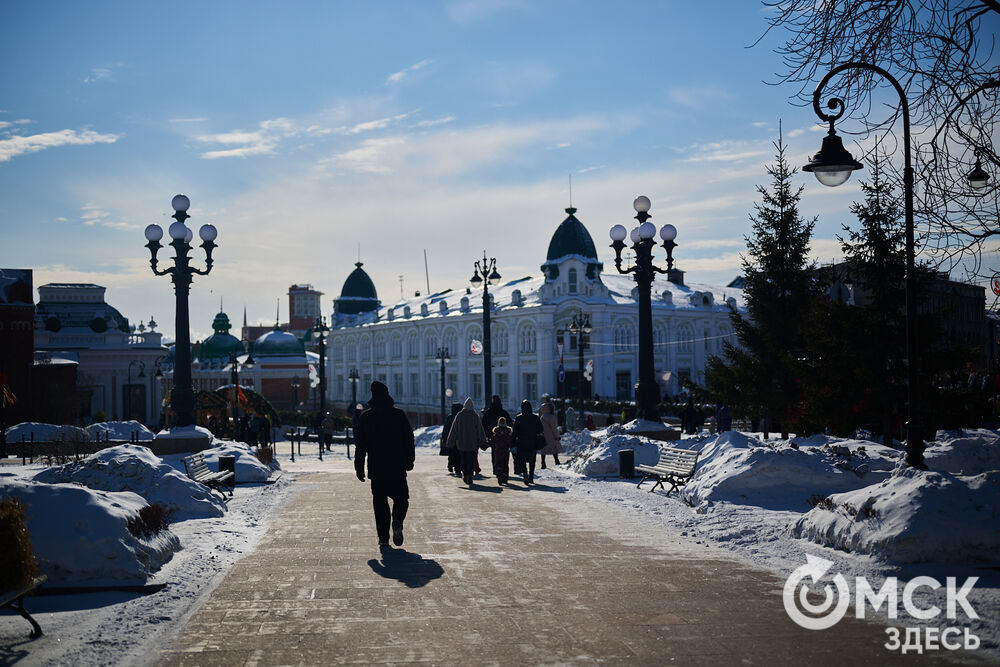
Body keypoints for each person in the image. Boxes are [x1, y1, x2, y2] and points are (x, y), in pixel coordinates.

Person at [354, 381, 415, 548]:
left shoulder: (366, 417)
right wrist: (410, 461)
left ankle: (383, 539)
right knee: (402, 498)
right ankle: (397, 521)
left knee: (380, 503)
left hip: (377, 467)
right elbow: (409, 440)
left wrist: (359, 468)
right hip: (397, 466)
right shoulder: (398, 415)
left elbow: (361, 445)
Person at [446, 398, 487, 486]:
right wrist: (483, 441)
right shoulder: (475, 416)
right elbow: (480, 430)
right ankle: (470, 476)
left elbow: (454, 430)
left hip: (461, 443)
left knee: (463, 460)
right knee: (471, 460)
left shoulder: (459, 415)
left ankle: (465, 475)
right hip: (473, 444)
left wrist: (450, 442)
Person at [512, 400, 544, 485]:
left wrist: (512, 440)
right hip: (532, 442)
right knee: (532, 460)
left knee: (522, 460)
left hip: (521, 442)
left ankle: (525, 474)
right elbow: (541, 429)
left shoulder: (519, 418)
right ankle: (531, 477)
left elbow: (515, 431)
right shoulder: (535, 418)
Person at [488, 417, 515, 485]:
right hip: (505, 451)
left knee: (498, 463)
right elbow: (510, 443)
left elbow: (491, 442)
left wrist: (484, 445)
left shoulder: (496, 434)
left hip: (497, 451)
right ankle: (505, 478)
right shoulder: (508, 434)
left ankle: (499, 474)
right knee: (505, 464)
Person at [440, 403, 463, 475]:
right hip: (459, 439)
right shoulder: (461, 417)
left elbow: (446, 428)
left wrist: (444, 437)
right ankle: (457, 468)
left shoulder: (450, 417)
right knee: (458, 454)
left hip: (450, 438)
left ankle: (450, 466)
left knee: (451, 453)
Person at [538, 402, 562, 468]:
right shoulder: (551, 417)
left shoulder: (542, 417)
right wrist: (557, 436)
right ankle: (556, 461)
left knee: (544, 450)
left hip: (544, 435)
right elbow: (554, 428)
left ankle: (543, 463)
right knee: (554, 449)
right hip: (551, 436)